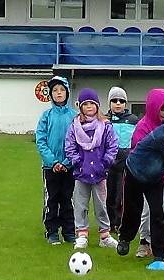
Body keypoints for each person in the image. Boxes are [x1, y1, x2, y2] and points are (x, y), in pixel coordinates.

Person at [116, 100, 164, 271]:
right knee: (132, 210)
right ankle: (125, 238)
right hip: (135, 173)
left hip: (154, 177)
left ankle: (160, 255)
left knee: (157, 213)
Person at [131, 88, 164, 258]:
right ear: (153, 107)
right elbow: (140, 152)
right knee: (147, 210)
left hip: (161, 175)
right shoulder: (142, 127)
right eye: (163, 108)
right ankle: (144, 242)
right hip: (144, 177)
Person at [65, 88, 119, 249]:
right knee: (80, 204)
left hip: (99, 173)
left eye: (92, 104)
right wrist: (77, 162)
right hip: (81, 173)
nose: (89, 107)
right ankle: (81, 234)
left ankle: (105, 235)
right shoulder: (75, 126)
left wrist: (105, 163)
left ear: (97, 106)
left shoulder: (105, 126)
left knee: (101, 204)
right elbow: (70, 146)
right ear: (80, 107)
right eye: (85, 104)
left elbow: (112, 146)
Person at [35, 76, 77, 245]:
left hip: (69, 167)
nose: (58, 93)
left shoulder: (74, 116)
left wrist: (67, 162)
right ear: (50, 95)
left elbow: (78, 141)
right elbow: (41, 140)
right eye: (55, 90)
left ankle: (69, 231)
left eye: (61, 90)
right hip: (50, 167)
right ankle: (51, 231)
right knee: (51, 199)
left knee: (68, 199)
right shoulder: (46, 116)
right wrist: (53, 162)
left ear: (67, 92)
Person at [105, 87, 138, 231]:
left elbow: (138, 140)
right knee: (108, 194)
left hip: (126, 162)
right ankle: (110, 222)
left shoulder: (133, 120)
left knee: (122, 194)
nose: (118, 103)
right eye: (114, 100)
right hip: (108, 161)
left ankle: (120, 222)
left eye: (121, 101)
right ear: (109, 103)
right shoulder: (104, 120)